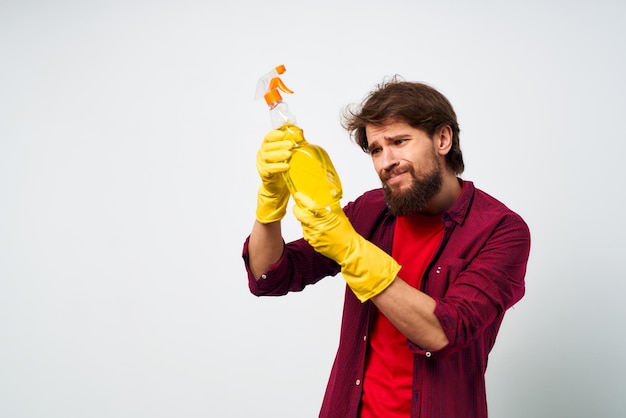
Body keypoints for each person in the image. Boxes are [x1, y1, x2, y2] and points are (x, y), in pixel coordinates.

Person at [241, 77, 531, 418]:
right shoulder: (369, 210)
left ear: (442, 138)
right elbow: (269, 276)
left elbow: (442, 333)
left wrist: (352, 251)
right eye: (376, 149)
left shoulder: (501, 231)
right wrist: (270, 204)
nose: (385, 161)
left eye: (399, 141)